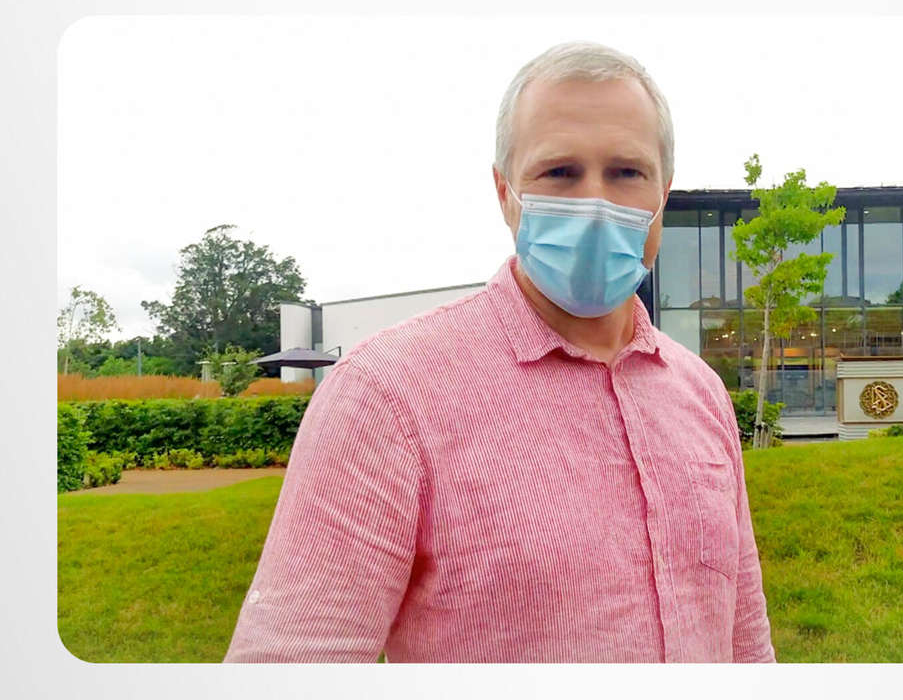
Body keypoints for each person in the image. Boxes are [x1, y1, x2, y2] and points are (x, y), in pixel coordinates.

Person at [225, 41, 774, 663]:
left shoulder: (700, 392)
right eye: (559, 172)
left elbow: (745, 639)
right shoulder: (385, 396)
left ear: (663, 194)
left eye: (627, 172)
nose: (595, 204)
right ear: (504, 192)